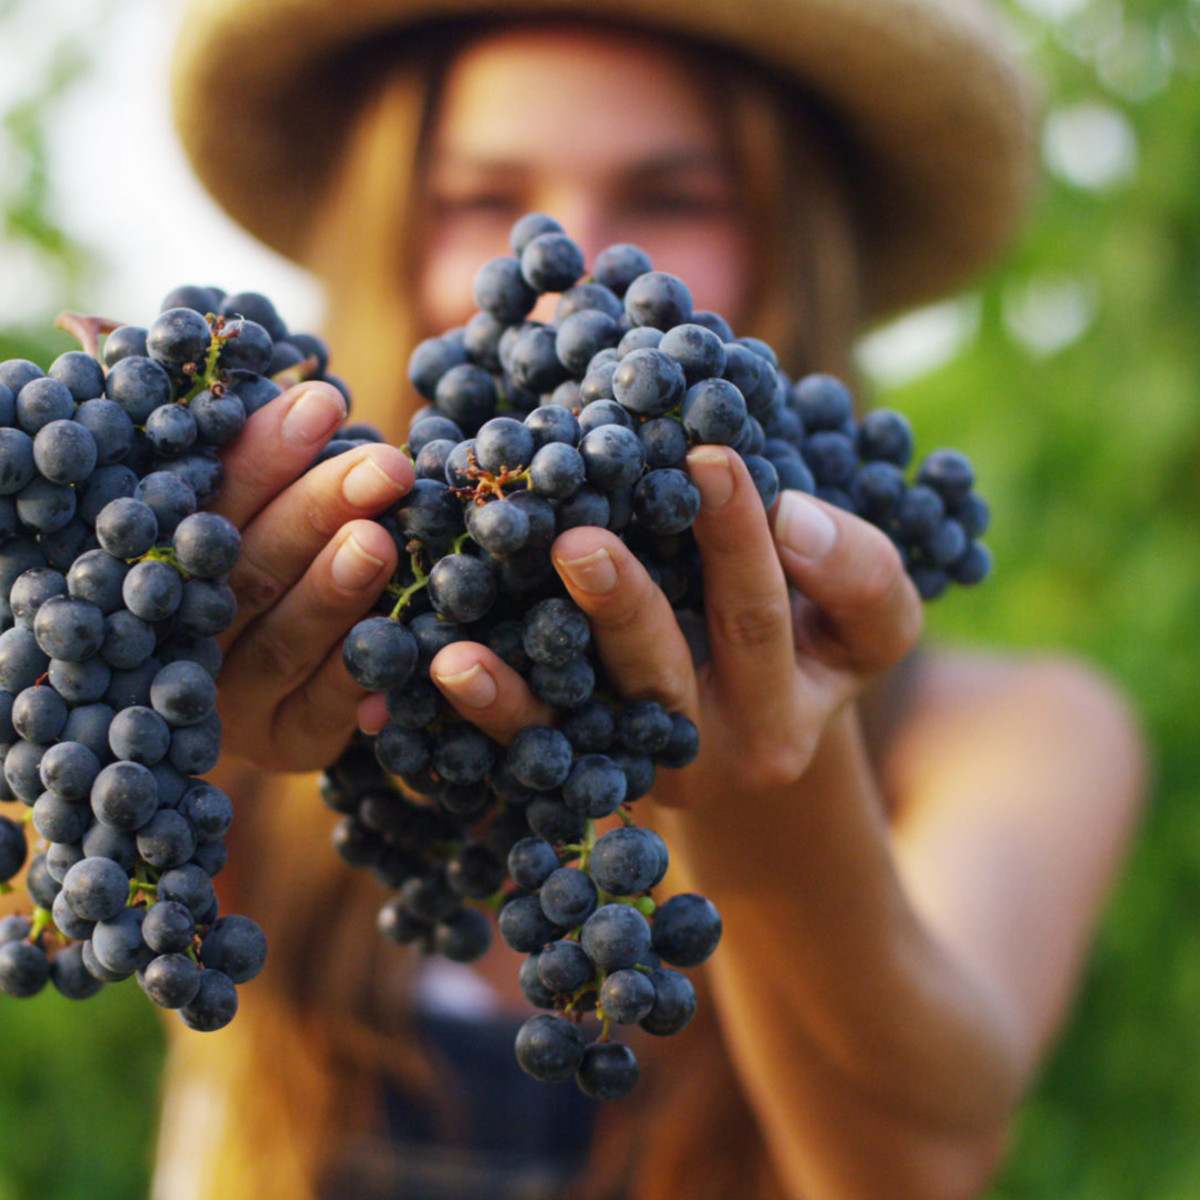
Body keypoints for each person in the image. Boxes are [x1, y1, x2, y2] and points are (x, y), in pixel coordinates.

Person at [149, 2, 1147, 1198]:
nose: (570, 276)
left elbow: (914, 1167)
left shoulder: (1016, 733)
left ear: (795, 246)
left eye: (675, 199)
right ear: (386, 228)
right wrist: (175, 718)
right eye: (482, 198)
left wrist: (774, 816)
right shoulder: (284, 639)